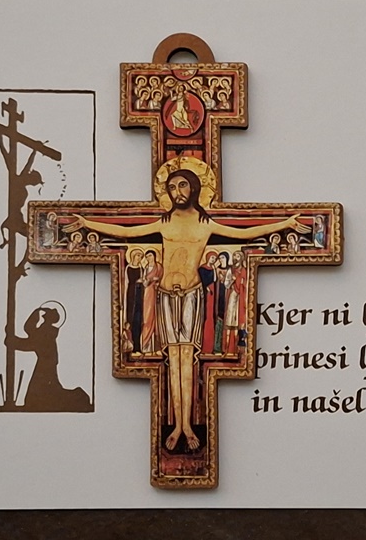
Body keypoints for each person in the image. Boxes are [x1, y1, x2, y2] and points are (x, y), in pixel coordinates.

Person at [66, 168, 308, 451]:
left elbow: (245, 233)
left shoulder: (206, 224)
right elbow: (127, 232)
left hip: (192, 296)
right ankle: (178, 426)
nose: (177, 192)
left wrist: (285, 223)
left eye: (182, 185)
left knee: (186, 360)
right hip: (166, 296)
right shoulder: (164, 222)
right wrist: (87, 223)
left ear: (194, 187)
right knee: (173, 359)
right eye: (172, 187)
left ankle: (187, 425)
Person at [140, 250, 162, 354]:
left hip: (157, 292)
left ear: (154, 256)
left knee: (158, 318)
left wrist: (158, 281)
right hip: (148, 293)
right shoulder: (146, 268)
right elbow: (144, 283)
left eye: (150, 255)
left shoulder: (159, 267)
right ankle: (146, 345)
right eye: (147, 256)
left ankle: (158, 347)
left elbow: (163, 279)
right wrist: (150, 279)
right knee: (148, 317)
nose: (149, 258)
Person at [124, 248, 145, 353]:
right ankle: (130, 345)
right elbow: (126, 282)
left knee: (138, 320)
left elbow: (144, 281)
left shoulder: (141, 268)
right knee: (130, 319)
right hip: (131, 294)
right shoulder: (128, 268)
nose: (139, 258)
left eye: (141, 256)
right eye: (138, 256)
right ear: (133, 256)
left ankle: (137, 346)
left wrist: (143, 282)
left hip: (139, 295)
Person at [198, 251, 218, 355]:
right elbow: (201, 281)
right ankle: (204, 347)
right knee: (206, 316)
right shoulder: (202, 269)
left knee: (211, 316)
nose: (213, 260)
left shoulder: (213, 269)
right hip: (206, 293)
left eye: (215, 258)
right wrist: (206, 288)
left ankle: (210, 347)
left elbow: (214, 280)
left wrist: (214, 269)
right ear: (208, 258)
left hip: (212, 293)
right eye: (212, 258)